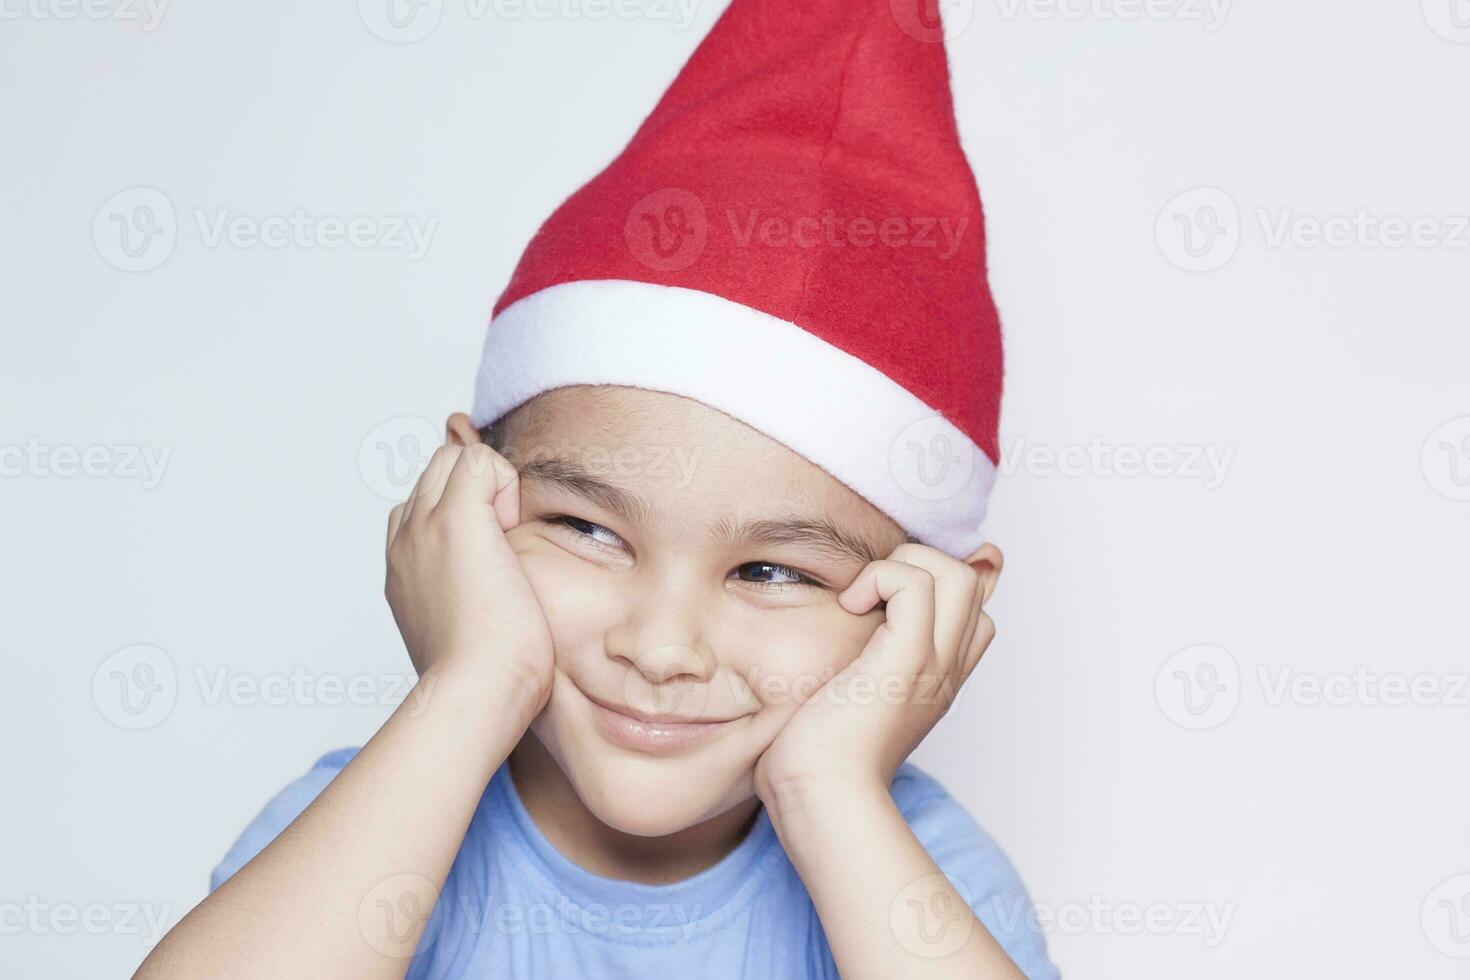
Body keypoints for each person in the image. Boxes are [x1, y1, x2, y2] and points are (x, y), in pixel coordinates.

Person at [134, 0, 1059, 977]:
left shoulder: (912, 876)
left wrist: (827, 790)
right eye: (586, 527)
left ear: (936, 602)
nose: (661, 647)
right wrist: (473, 687)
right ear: (462, 493)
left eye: (772, 570)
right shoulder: (376, 819)